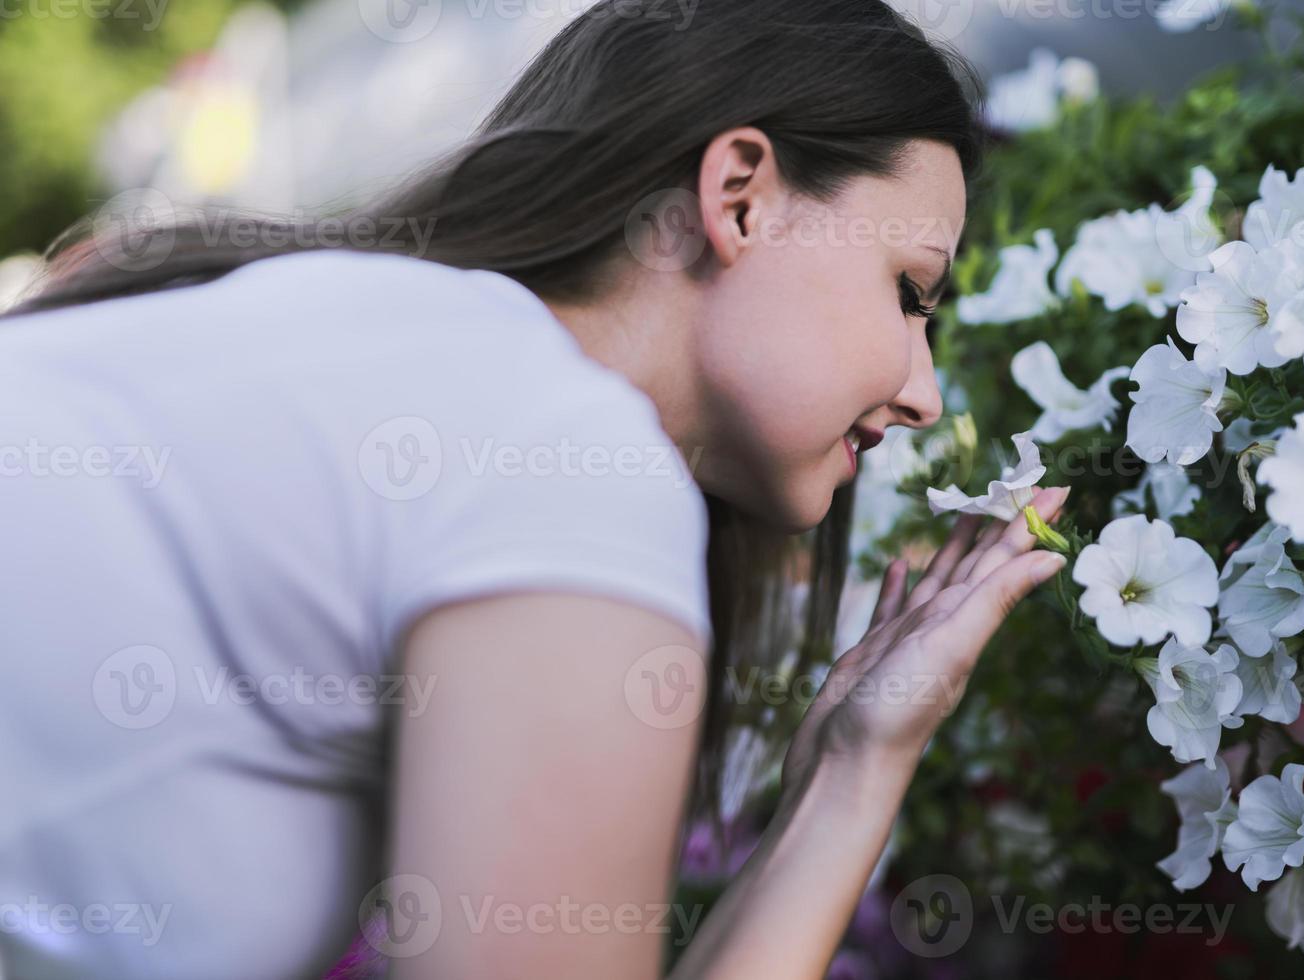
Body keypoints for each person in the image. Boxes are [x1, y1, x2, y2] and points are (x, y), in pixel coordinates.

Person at [0, 1, 1070, 977]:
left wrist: (853, 761)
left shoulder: (365, 325)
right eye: (910, 292)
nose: (924, 392)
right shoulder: (562, 455)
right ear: (741, 198)